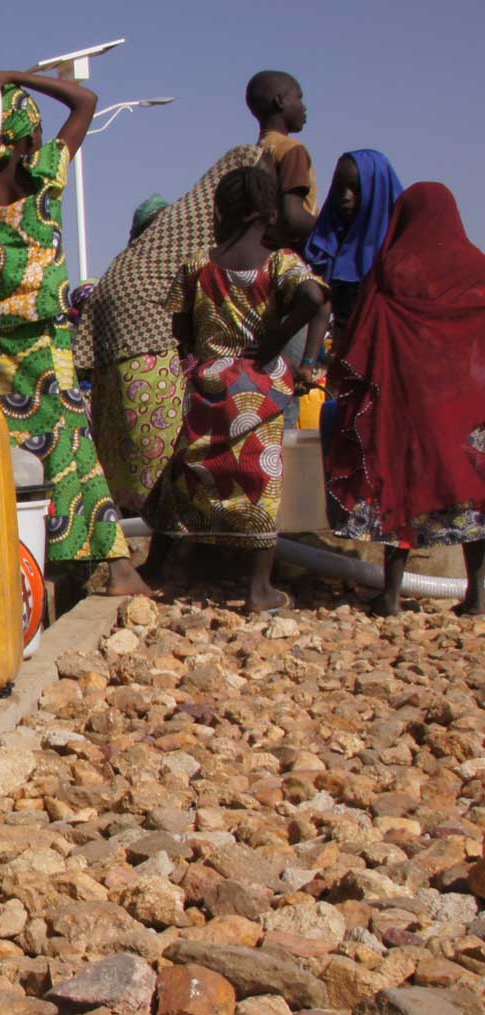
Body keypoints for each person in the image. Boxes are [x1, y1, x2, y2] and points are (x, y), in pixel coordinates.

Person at [0, 72, 148, 596]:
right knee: (70, 445)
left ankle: (42, 567)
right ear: (24, 137)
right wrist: (10, 76)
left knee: (16, 452)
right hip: (45, 340)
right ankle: (100, 568)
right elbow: (86, 99)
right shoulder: (45, 175)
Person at [143, 166, 330, 612]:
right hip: (260, 387)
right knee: (259, 477)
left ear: (224, 211)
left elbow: (180, 328)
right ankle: (258, 589)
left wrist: (203, 354)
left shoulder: (199, 263)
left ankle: (155, 568)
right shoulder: (280, 260)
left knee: (186, 474)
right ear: (265, 212)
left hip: (210, 384)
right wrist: (279, 344)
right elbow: (314, 298)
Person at [78, 144, 268, 516]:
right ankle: (155, 523)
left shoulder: (174, 233)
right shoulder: (213, 238)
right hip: (143, 331)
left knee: (122, 437)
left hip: (115, 329)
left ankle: (127, 524)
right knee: (156, 441)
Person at [324, 183, 485, 616]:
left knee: (399, 493)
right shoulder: (477, 267)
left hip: (406, 405)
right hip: (465, 409)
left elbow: (363, 335)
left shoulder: (395, 266)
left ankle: (391, 597)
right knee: (473, 497)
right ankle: (478, 596)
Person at [306, 151, 405, 329]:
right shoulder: (324, 246)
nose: (345, 196)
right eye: (339, 187)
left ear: (377, 191)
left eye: (356, 188)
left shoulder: (400, 253)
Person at [247, 71, 317, 251]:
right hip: (291, 252)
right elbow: (292, 216)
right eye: (299, 98)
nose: (304, 107)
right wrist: (330, 232)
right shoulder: (291, 150)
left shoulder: (255, 151)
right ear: (280, 101)